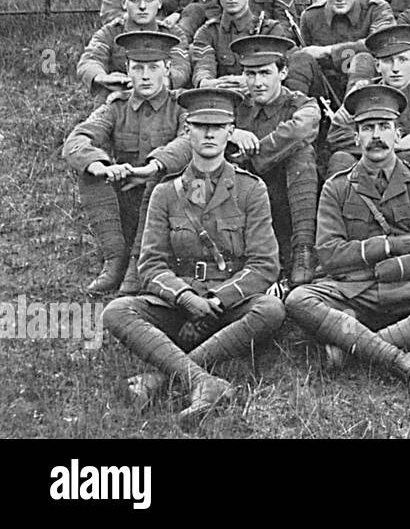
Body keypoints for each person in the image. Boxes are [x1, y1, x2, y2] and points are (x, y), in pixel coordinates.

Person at [102, 88, 284, 422]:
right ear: (188, 130)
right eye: (201, 126)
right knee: (117, 311)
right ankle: (202, 380)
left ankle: (162, 378)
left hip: (228, 304)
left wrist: (217, 299)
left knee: (271, 309)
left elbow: (264, 264)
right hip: (178, 302)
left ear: (232, 131)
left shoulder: (251, 189)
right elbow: (152, 263)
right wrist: (186, 298)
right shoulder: (165, 192)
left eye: (218, 126)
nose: (210, 133)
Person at [286, 85, 410, 392]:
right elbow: (330, 255)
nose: (376, 136)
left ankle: (354, 345)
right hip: (355, 287)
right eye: (367, 128)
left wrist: (395, 267)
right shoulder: (337, 187)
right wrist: (385, 247)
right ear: (356, 138)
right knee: (298, 299)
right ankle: (396, 357)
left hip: (408, 286)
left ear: (397, 136)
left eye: (384, 127)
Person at [153, 36, 320, 289]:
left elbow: (300, 130)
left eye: (265, 73)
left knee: (302, 153)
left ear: (283, 72)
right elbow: (199, 124)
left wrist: (254, 151)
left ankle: (303, 249)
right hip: (234, 195)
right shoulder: (235, 104)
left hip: (284, 194)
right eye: (250, 74)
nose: (258, 82)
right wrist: (231, 132)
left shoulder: (300, 103)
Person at [63, 31, 188, 294]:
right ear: (127, 69)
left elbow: (187, 142)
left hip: (173, 203)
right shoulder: (115, 107)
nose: (145, 76)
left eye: (153, 68)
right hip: (127, 198)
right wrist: (103, 167)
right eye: (138, 68)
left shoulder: (181, 106)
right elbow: (78, 139)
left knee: (160, 180)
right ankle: (115, 259)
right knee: (89, 174)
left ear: (167, 69)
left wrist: (152, 167)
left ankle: (136, 265)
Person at [327, 24, 410, 216]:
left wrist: (393, 156)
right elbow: (336, 134)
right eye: (387, 61)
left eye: (403, 60)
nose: (395, 68)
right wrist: (395, 146)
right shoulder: (363, 93)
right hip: (368, 164)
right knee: (340, 159)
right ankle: (336, 235)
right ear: (377, 66)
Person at [286, 0, 395, 101]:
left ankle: (351, 117)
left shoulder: (376, 9)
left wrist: (328, 51)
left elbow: (381, 44)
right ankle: (296, 110)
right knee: (300, 59)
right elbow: (308, 57)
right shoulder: (310, 16)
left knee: (363, 59)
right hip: (324, 89)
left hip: (367, 87)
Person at [79, 0, 191, 99]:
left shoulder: (173, 33)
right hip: (118, 100)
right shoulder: (110, 32)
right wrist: (104, 78)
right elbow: (90, 60)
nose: (142, 6)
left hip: (161, 100)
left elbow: (180, 68)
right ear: (123, 3)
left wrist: (151, 85)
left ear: (160, 2)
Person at [189, 0, 296, 90]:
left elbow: (275, 72)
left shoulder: (269, 30)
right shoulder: (208, 32)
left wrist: (245, 80)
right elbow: (203, 66)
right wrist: (206, 82)